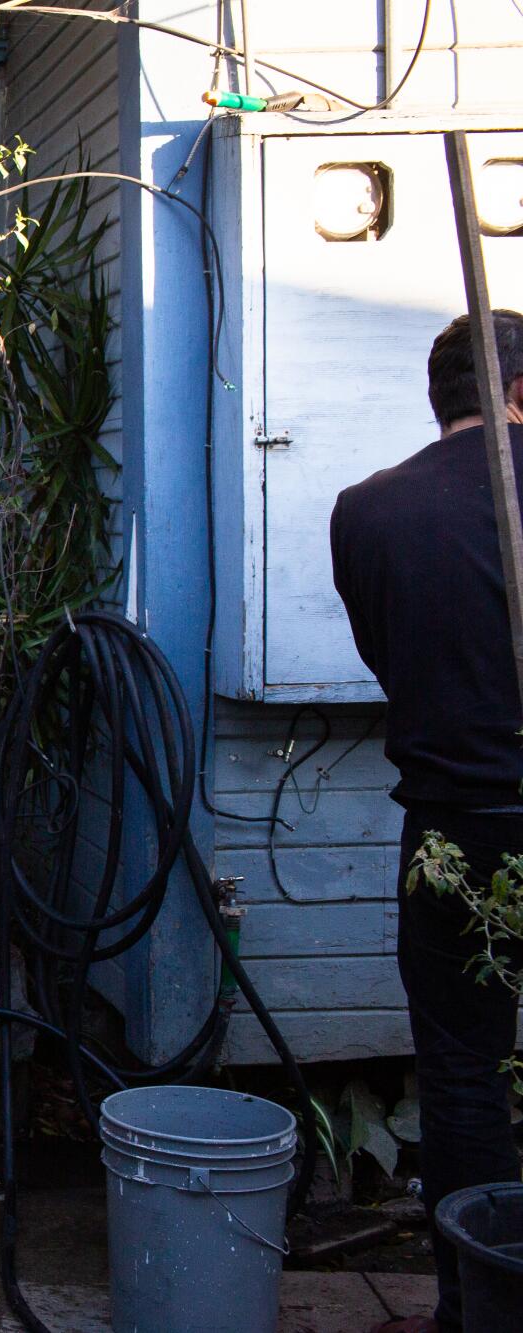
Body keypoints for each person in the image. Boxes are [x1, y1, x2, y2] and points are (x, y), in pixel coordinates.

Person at [330, 311, 523, 1333]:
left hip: (452, 833)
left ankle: (470, 1307)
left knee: (461, 1071)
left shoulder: (368, 512)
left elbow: (387, 661)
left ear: (435, 398)